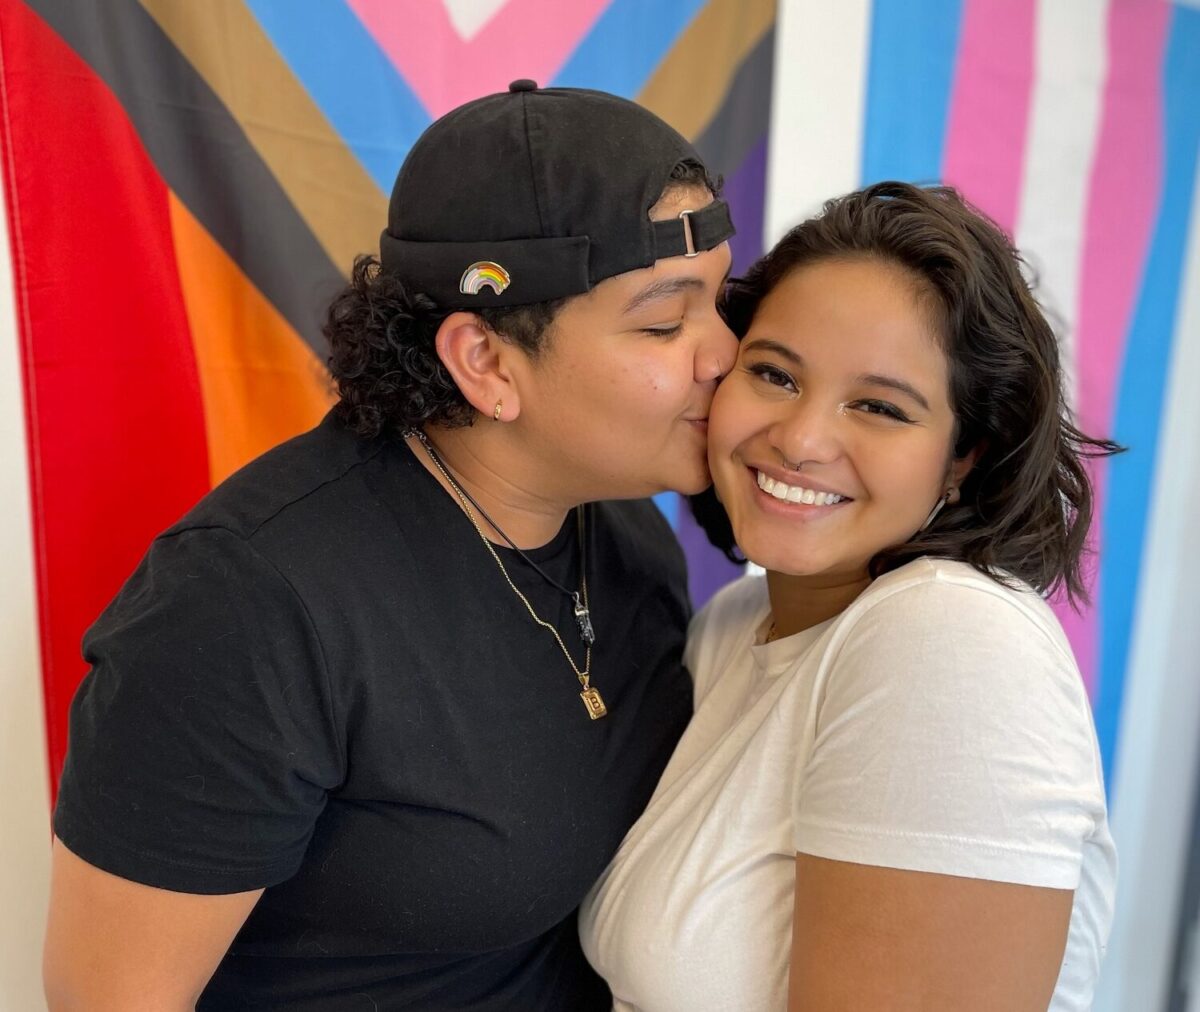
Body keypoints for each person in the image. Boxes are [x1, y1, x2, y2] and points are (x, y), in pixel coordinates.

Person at [42, 81, 737, 1010]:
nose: (724, 352)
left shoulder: (625, 532)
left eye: (721, 299)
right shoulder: (248, 609)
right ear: (485, 361)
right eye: (664, 321)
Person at [580, 182, 1119, 1011]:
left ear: (963, 457)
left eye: (879, 407)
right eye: (774, 374)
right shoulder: (735, 625)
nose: (801, 440)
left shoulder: (951, 641)